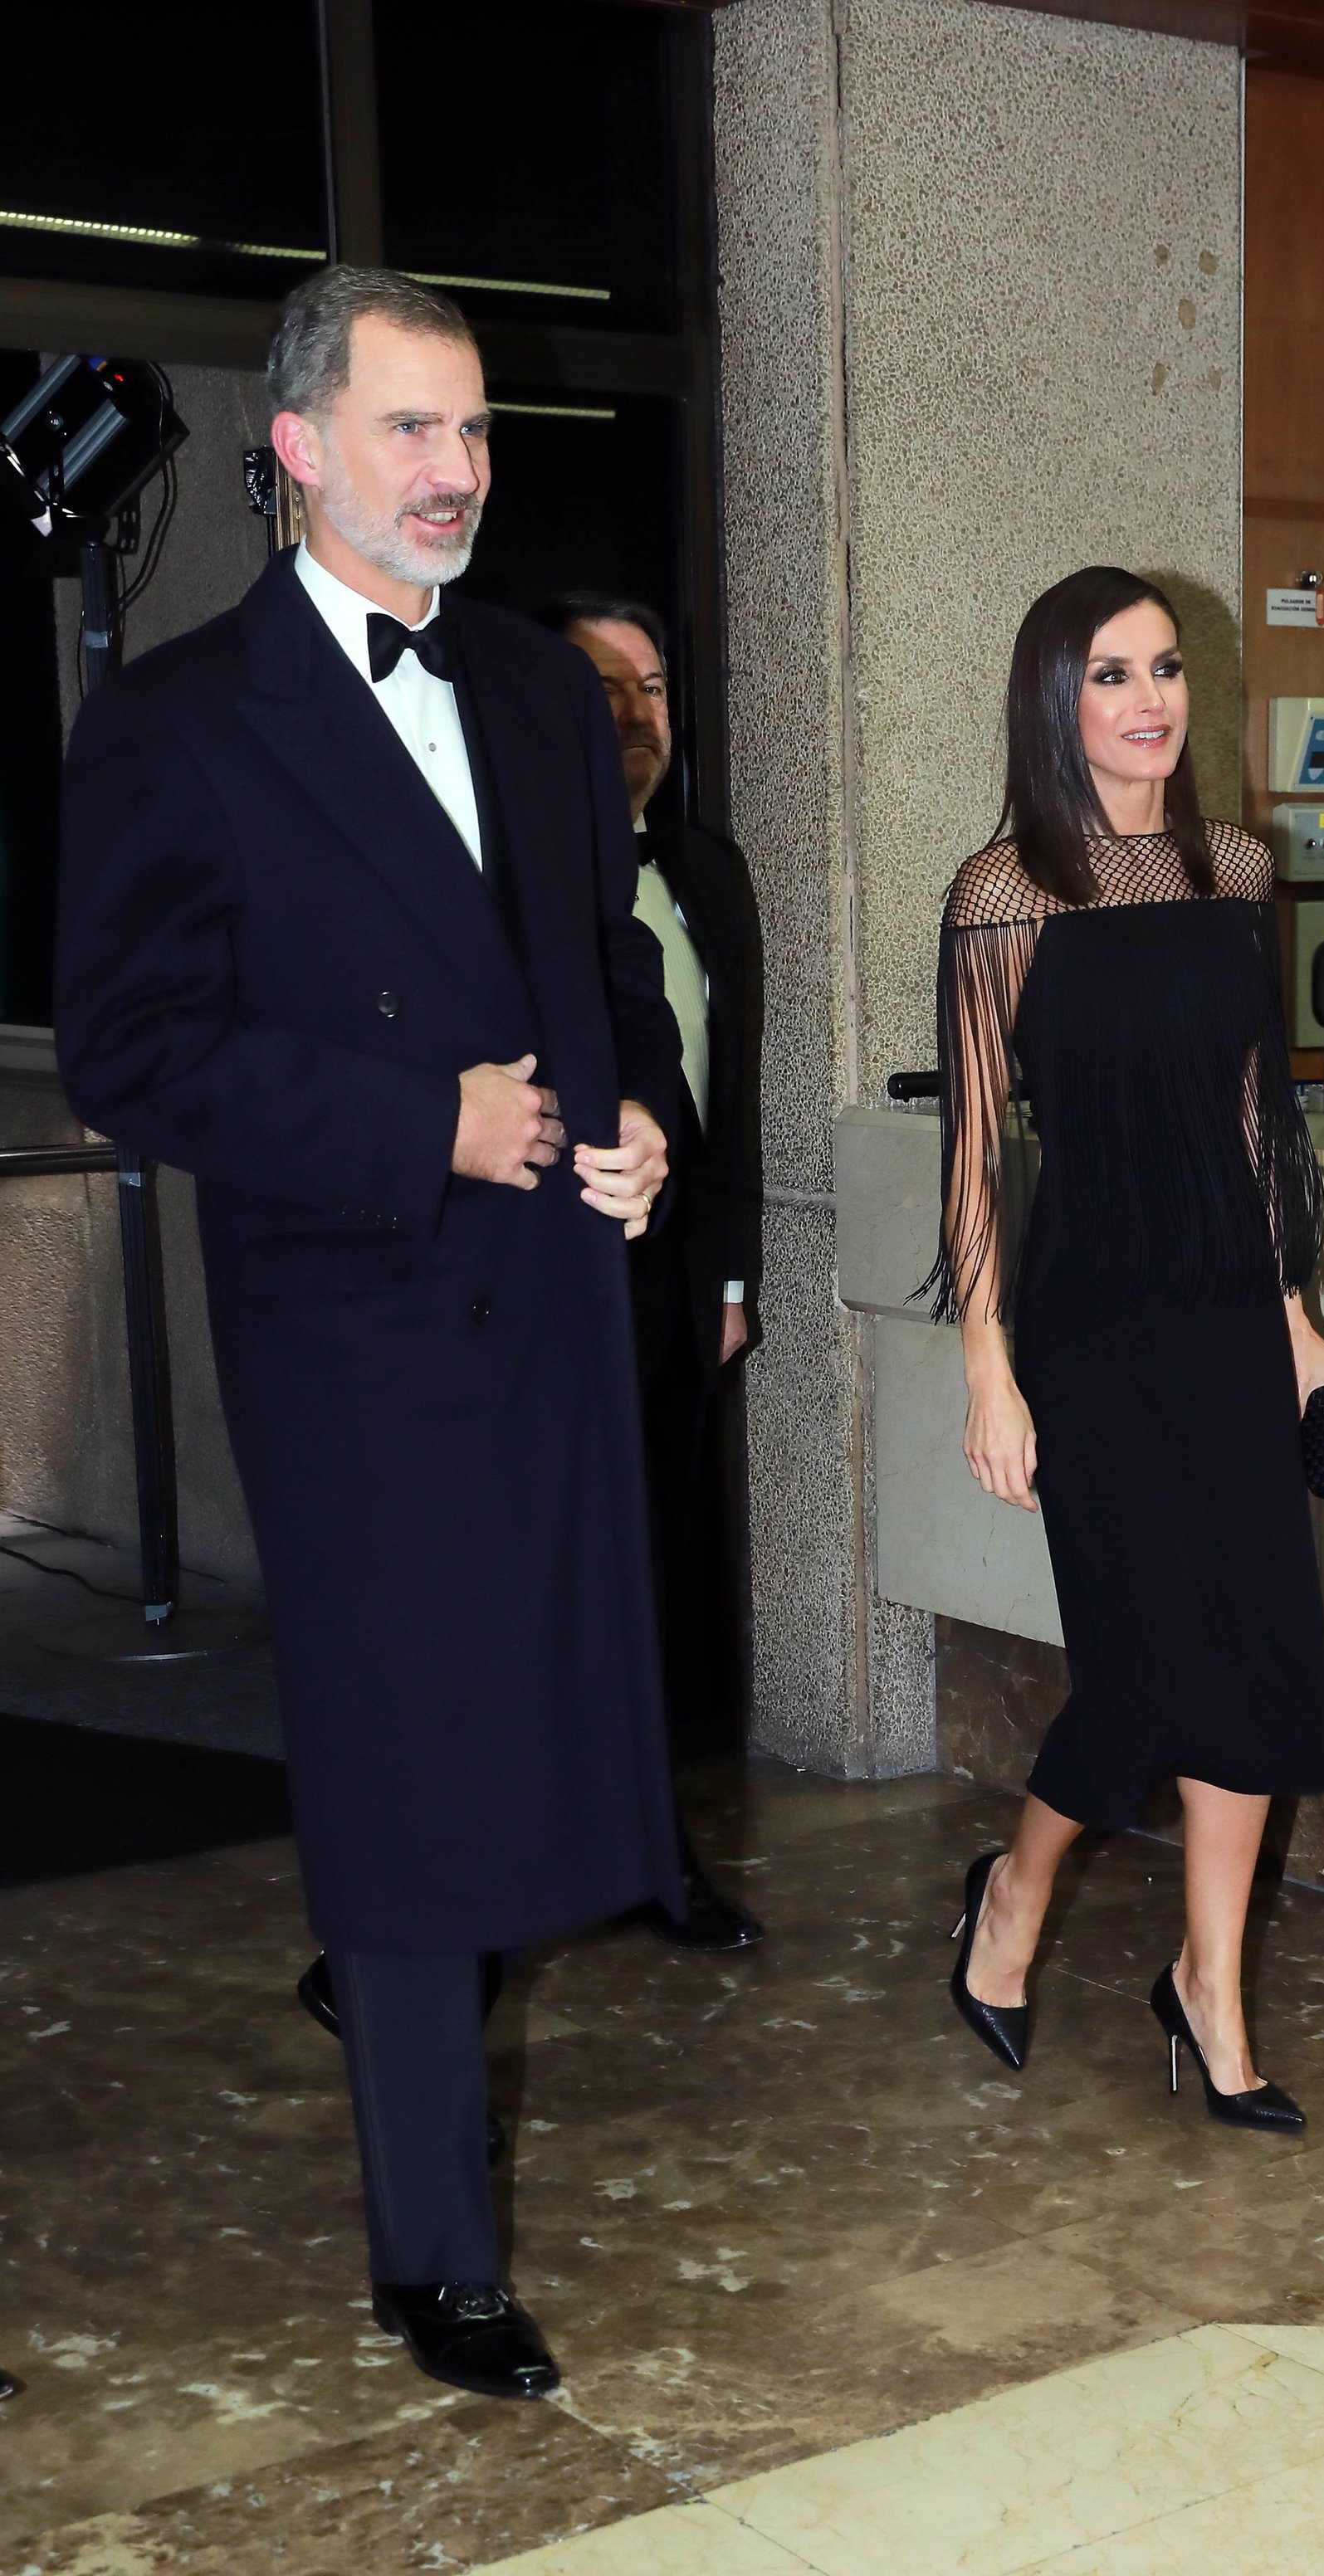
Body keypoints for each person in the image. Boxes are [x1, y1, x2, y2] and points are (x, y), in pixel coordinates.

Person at [53, 266, 683, 2400]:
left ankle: (392, 1970)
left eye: (479, 431)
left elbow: (615, 962)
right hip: (360, 1332)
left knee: (529, 1749)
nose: (459, 473)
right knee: (412, 1784)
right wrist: (426, 1122)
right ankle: (440, 2253)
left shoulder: (531, 689)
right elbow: (137, 1054)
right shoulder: (177, 719)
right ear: (300, 446)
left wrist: (645, 1125)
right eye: (415, 431)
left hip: (552, 1319)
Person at [934, 566, 1324, 2126]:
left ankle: (1212, 1999)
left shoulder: (1237, 867)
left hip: (1226, 1320)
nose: (1151, 700)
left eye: (1166, 669)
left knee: (1252, 1658)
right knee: (1130, 1676)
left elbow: (1258, 1123)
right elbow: (977, 1152)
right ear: (1058, 702)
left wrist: (1298, 1319)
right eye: (1111, 675)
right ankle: (1013, 1900)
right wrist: (987, 1360)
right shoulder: (1007, 891)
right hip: (1092, 1322)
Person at [545, 593, 765, 1953]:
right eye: (604, 687)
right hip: (550, 1291)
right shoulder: (513, 867)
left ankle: (651, 1859)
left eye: (655, 687)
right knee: (547, 1586)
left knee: (655, 1584)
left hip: (679, 1291)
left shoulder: (705, 869)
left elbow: (726, 1100)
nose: (636, 715)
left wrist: (734, 1282)